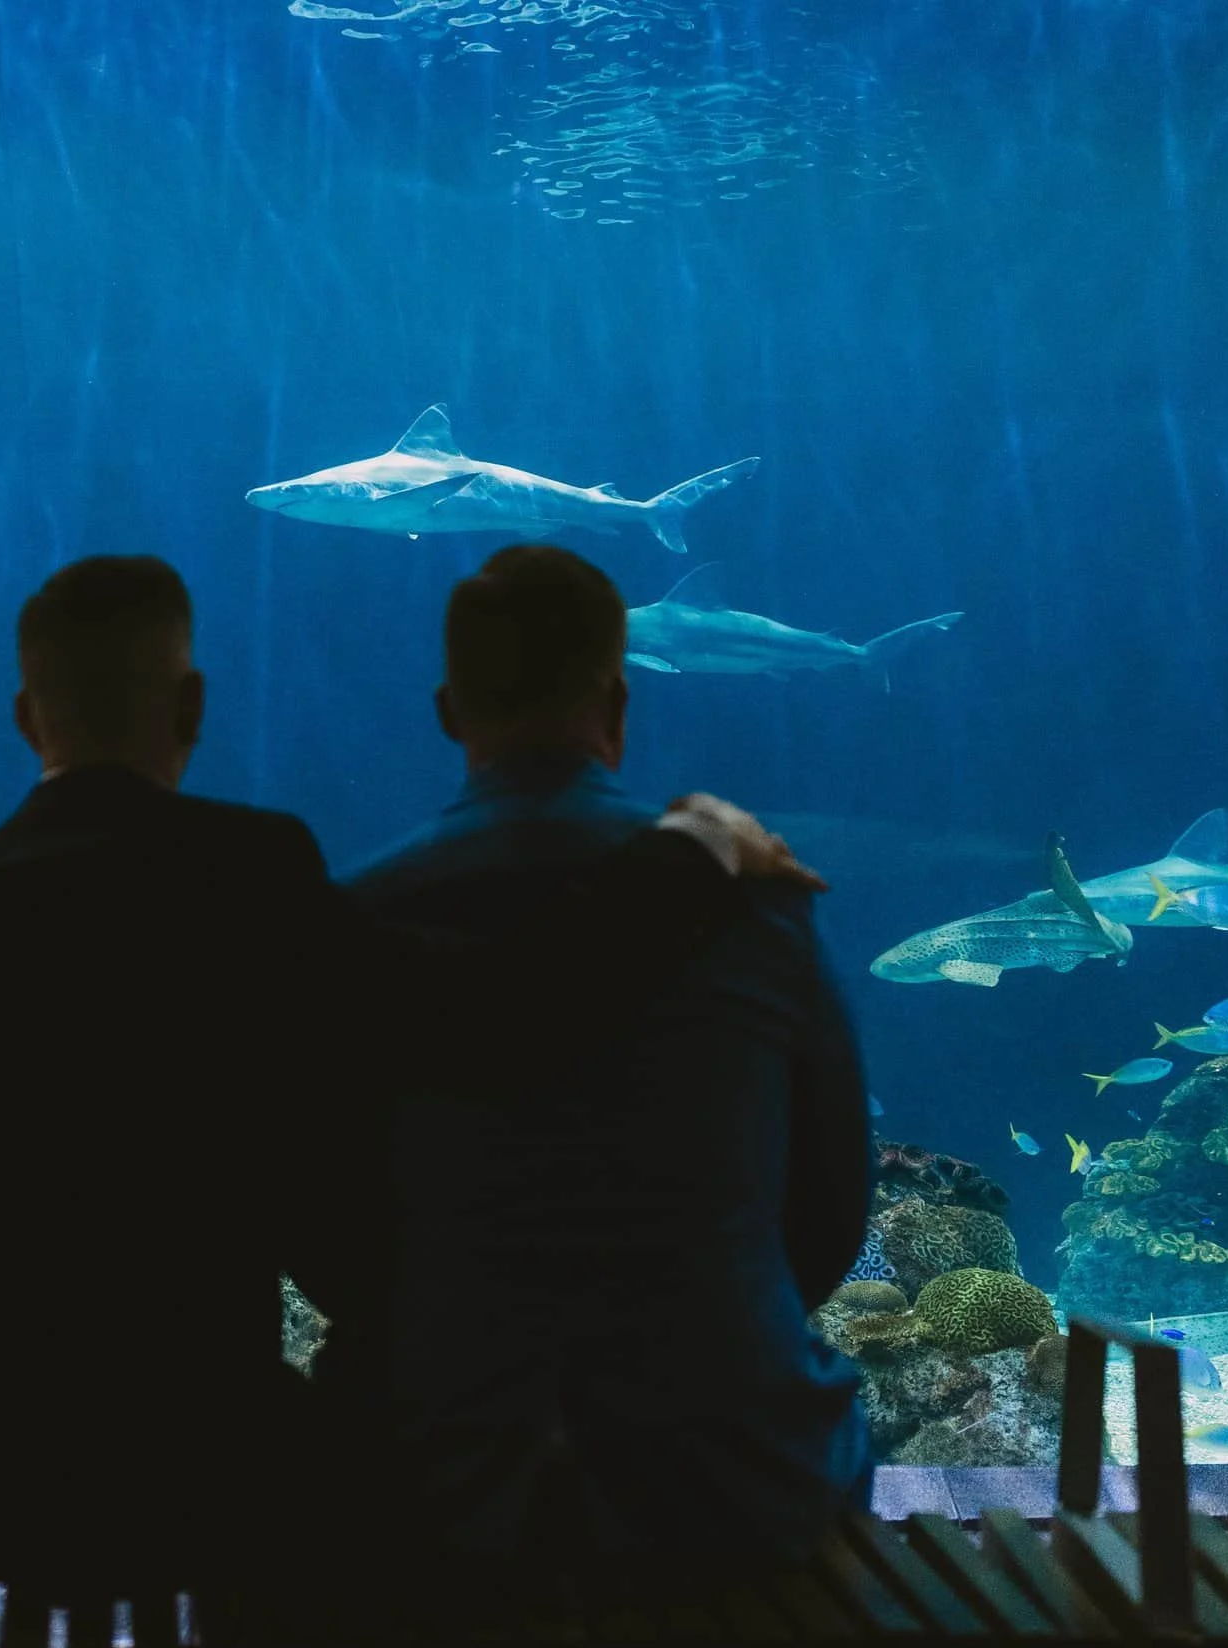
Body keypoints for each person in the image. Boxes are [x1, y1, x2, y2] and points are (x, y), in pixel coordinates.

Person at [0, 554, 818, 1596]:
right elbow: (502, 1015)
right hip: (194, 1480)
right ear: (191, 704)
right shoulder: (244, 877)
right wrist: (695, 843)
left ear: (26, 716)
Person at [345, 543, 873, 1572]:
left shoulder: (357, 910)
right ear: (620, 707)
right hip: (738, 1479)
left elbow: (323, 1216)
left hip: (437, 1480)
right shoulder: (764, 907)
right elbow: (829, 1204)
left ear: (449, 710)